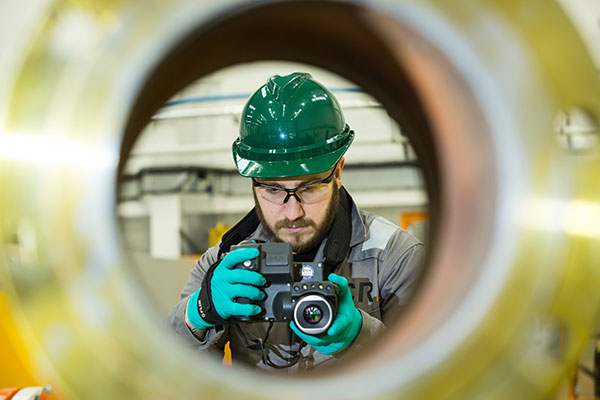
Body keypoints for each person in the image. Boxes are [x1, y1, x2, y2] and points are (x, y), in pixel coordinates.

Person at [169, 72, 424, 371]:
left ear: (338, 172)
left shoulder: (394, 258)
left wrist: (361, 336)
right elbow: (166, 374)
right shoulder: (224, 262)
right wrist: (199, 312)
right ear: (253, 183)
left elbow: (438, 374)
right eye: (273, 189)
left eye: (310, 187)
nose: (293, 213)